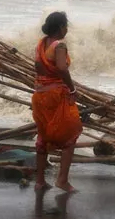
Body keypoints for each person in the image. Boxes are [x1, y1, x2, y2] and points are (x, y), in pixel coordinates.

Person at [32, 12, 82, 193]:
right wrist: (72, 88)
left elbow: (38, 68)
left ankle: (39, 181)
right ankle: (62, 180)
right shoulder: (59, 45)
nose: (67, 29)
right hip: (56, 96)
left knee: (43, 136)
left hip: (39, 96)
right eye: (66, 25)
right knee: (71, 133)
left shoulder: (40, 45)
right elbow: (61, 68)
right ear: (61, 27)